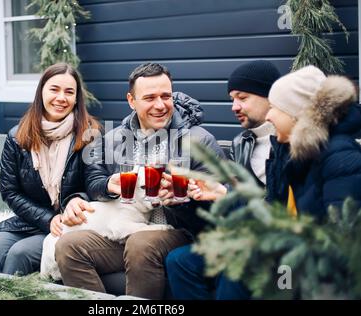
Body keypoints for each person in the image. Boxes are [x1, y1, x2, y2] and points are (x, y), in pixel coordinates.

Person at [54, 62, 225, 299]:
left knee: (141, 242)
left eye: (166, 96)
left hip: (181, 232)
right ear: (131, 101)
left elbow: (221, 208)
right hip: (126, 226)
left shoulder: (199, 142)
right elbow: (93, 183)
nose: (160, 105)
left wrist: (183, 200)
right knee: (68, 246)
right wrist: (92, 192)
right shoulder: (113, 139)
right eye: (149, 98)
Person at [164, 60, 281, 299]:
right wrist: (189, 198)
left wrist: (225, 193)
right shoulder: (243, 143)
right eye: (232, 99)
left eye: (243, 97)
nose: (234, 107)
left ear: (271, 96)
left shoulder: (290, 143)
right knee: (180, 260)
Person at [0, 63, 100, 275]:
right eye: (54, 89)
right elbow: (10, 191)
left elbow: (95, 184)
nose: (61, 98)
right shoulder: (17, 137)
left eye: (69, 92)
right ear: (41, 92)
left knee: (19, 254)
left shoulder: (89, 135)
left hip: (69, 224)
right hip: (30, 221)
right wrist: (46, 219)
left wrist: (73, 203)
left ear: (76, 99)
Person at [265, 65, 361, 217]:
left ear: (296, 113)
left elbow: (342, 234)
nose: (267, 116)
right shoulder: (295, 153)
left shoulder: (339, 157)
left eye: (273, 107)